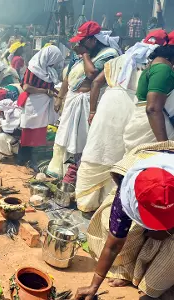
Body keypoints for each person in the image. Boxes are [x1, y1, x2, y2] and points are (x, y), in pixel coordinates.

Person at [76, 30, 168, 213]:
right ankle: (107, 209)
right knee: (118, 155)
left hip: (109, 104)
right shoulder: (158, 65)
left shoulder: (125, 57)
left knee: (97, 148)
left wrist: (93, 110)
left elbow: (96, 83)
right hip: (132, 108)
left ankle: (85, 202)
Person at [76, 142, 174, 300]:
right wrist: (93, 286)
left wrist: (168, 230)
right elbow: (114, 243)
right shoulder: (128, 190)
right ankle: (127, 271)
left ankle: (156, 286)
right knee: (117, 225)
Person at [46, 21, 120, 180]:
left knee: (83, 140)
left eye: (82, 41)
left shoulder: (109, 54)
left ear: (93, 40)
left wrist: (85, 54)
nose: (79, 44)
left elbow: (92, 74)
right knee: (65, 137)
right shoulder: (78, 54)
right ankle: (62, 171)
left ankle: (78, 175)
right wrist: (60, 97)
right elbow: (68, 76)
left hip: (89, 103)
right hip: (73, 100)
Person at [122, 30, 174, 154]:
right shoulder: (163, 69)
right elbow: (153, 109)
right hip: (152, 133)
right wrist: (163, 146)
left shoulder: (160, 64)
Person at [17, 45, 63, 170]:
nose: (54, 64)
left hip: (43, 104)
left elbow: (51, 88)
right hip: (33, 103)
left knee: (39, 131)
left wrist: (58, 94)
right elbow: (26, 87)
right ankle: (22, 159)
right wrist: (45, 91)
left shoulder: (49, 71)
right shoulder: (33, 68)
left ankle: (33, 159)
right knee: (28, 130)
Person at [0, 87, 22, 160]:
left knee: (1, 137)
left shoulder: (16, 112)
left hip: (22, 146)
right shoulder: (10, 108)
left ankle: (11, 156)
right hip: (16, 139)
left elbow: (10, 129)